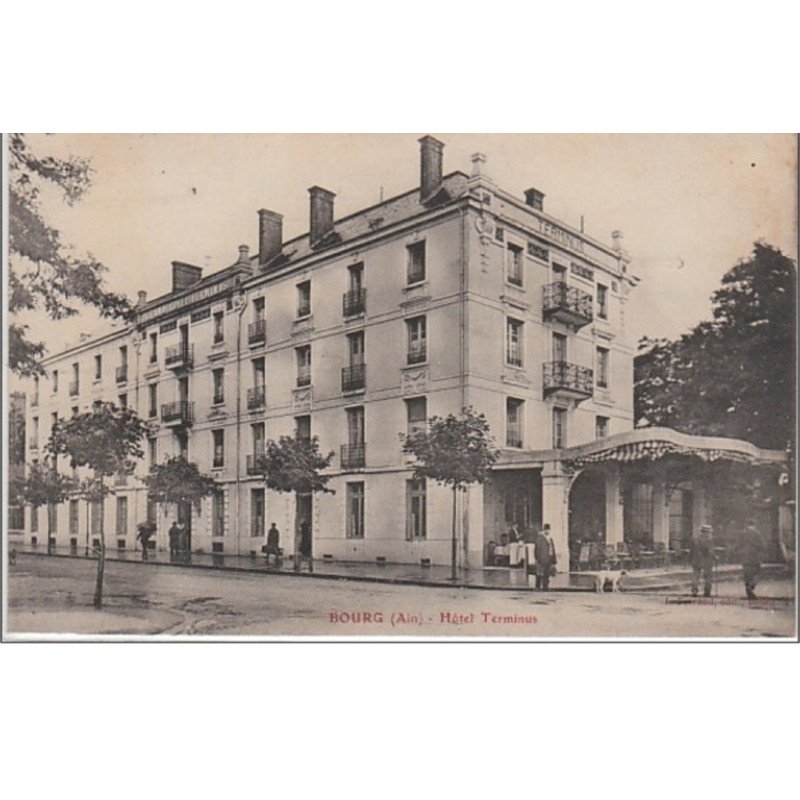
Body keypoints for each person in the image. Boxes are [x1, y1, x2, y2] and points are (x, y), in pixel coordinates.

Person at [739, 520, 765, 600]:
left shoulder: (742, 534)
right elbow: (762, 546)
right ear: (754, 525)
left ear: (747, 525)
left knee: (747, 575)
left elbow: (739, 545)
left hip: (745, 557)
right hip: (754, 558)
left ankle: (749, 592)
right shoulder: (757, 533)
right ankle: (751, 587)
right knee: (757, 573)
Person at [690, 523, 715, 598]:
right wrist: (715, 557)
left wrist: (691, 559)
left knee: (695, 575)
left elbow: (692, 550)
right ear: (708, 532)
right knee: (708, 576)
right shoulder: (709, 540)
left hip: (696, 560)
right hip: (706, 560)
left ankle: (694, 590)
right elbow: (710, 552)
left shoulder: (696, 539)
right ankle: (707, 592)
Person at [534, 523, 557, 590]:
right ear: (543, 530)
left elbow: (553, 549)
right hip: (542, 558)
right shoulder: (540, 539)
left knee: (547, 573)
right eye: (546, 530)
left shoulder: (550, 539)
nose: (547, 531)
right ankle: (537, 586)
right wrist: (537, 558)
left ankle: (545, 586)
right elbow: (537, 549)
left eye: (548, 530)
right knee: (540, 573)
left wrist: (554, 559)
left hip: (549, 558)